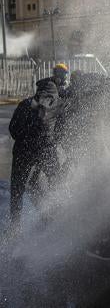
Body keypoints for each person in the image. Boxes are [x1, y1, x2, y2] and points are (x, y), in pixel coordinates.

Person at [9, 81, 61, 228]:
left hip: (22, 151)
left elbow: (12, 129)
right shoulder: (58, 104)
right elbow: (62, 129)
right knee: (56, 182)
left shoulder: (25, 104)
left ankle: (15, 227)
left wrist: (24, 139)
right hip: (46, 151)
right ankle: (52, 217)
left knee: (17, 190)